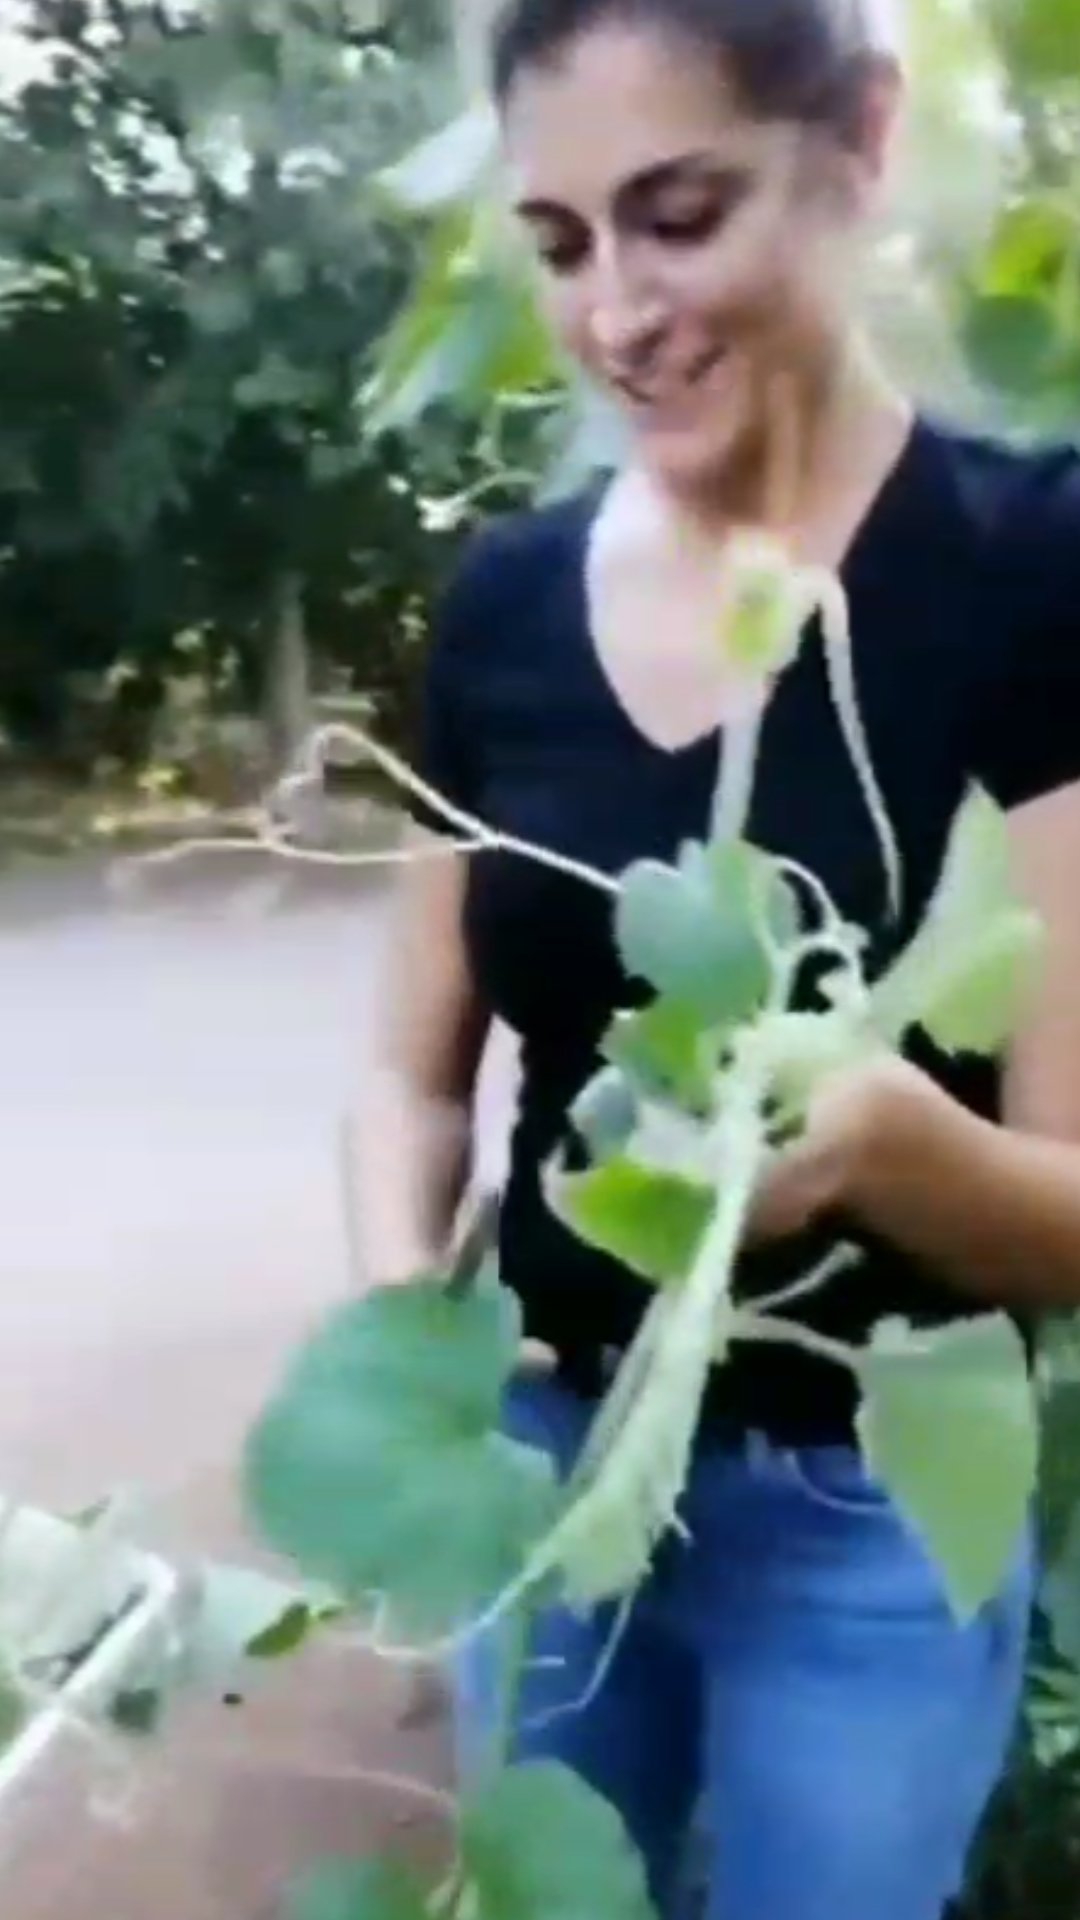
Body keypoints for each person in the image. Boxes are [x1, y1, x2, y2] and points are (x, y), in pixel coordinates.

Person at [354, 0, 1080, 1914]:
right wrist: (413, 1340)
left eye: (681, 216)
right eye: (561, 243)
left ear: (860, 143)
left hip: (862, 1516)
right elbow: (408, 1077)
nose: (614, 313)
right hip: (548, 1461)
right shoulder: (506, 606)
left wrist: (887, 1146)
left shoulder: (1035, 571)